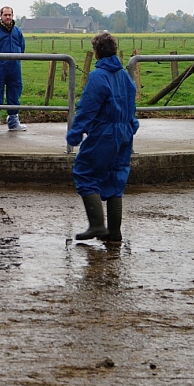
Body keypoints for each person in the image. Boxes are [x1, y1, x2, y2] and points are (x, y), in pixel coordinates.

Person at [67, 32, 139, 242]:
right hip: (125, 133)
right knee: (116, 178)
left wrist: (75, 132)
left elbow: (87, 107)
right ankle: (114, 232)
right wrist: (131, 125)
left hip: (105, 133)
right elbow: (131, 105)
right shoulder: (124, 76)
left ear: (96, 52)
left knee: (85, 173)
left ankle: (97, 225)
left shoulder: (98, 76)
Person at [0, 6, 27, 132]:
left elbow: (22, 48)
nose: (8, 17)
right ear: (0, 16)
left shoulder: (17, 31)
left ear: (12, 15)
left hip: (14, 68)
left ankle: (13, 122)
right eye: (5, 15)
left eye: (9, 15)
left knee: (14, 94)